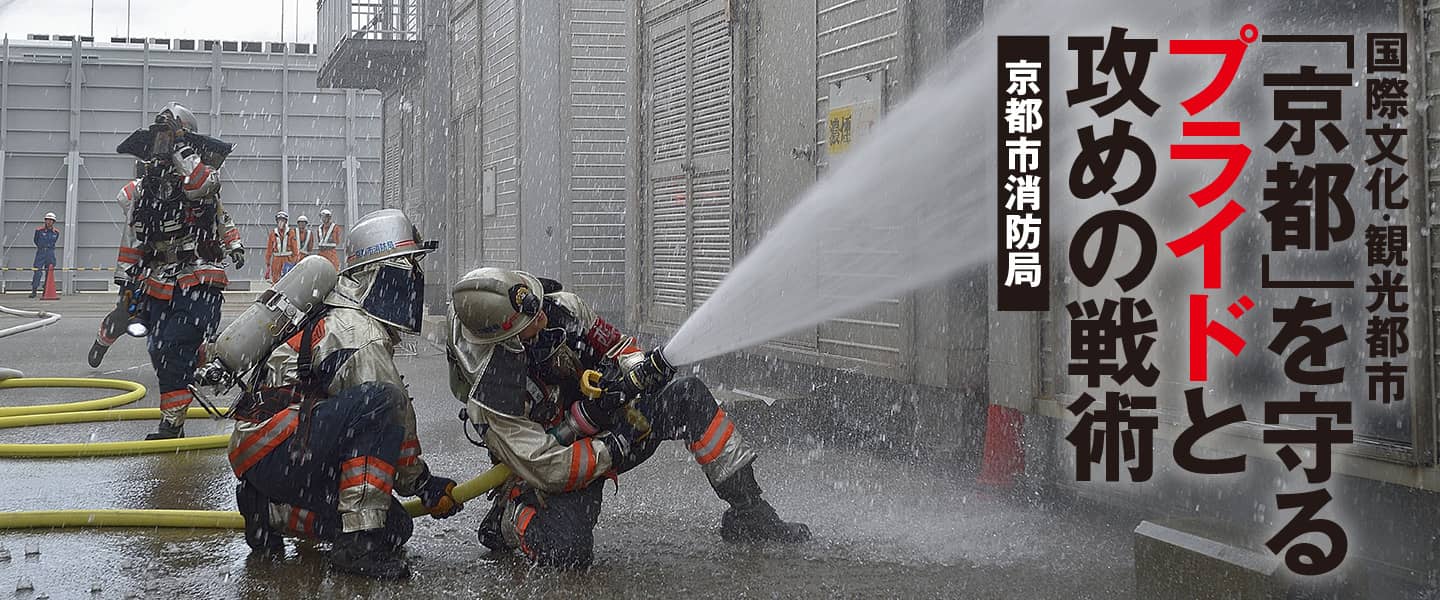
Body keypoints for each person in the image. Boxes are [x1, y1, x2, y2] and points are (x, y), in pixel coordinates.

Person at [446, 268, 809, 569]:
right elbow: (547, 465)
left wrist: (635, 370)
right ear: (507, 337)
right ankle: (509, 519)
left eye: (538, 306)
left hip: (606, 426)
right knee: (567, 551)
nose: (542, 315)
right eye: (531, 319)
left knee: (688, 396)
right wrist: (614, 445)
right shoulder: (492, 393)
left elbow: (619, 346)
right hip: (552, 463)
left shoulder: (562, 308)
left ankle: (750, 512)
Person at [227, 209, 462, 579]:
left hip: (274, 452)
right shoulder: (357, 330)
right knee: (379, 402)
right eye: (411, 266)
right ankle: (357, 546)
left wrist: (419, 487)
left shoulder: (342, 307)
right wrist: (422, 483)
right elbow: (392, 412)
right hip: (274, 445)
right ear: (385, 271)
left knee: (395, 528)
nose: (416, 277)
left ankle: (269, 511)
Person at [91, 102, 244, 438]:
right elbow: (133, 236)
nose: (162, 146)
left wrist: (180, 147)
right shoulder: (143, 188)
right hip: (159, 280)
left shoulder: (203, 176)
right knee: (159, 348)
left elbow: (203, 190)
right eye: (159, 139)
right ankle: (190, 373)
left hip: (198, 279)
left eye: (169, 138)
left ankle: (173, 423)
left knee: (174, 346)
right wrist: (125, 280)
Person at [29, 213, 59, 298]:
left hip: (50, 253)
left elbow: (54, 241)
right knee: (37, 271)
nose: (49, 222)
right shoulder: (39, 230)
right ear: (45, 221)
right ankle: (34, 290)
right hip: (41, 252)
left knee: (49, 272)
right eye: (47, 220)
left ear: (53, 222)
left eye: (51, 220)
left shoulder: (56, 232)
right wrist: (41, 247)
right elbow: (36, 240)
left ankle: (46, 289)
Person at [265, 211, 298, 283]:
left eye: (282, 220)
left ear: (286, 221)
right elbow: (269, 249)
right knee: (276, 279)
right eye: (279, 220)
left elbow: (295, 249)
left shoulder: (291, 232)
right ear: (276, 221)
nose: (281, 222)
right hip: (276, 260)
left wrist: (294, 261)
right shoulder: (273, 233)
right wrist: (268, 262)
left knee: (288, 279)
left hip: (288, 260)